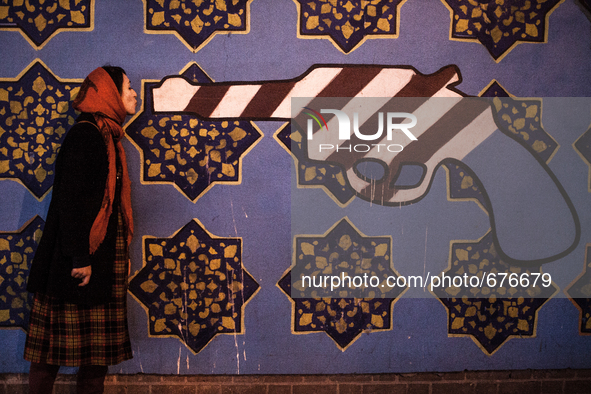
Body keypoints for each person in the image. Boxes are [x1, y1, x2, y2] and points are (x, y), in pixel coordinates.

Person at [24, 66, 137, 394]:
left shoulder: (109, 136)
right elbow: (69, 203)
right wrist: (79, 257)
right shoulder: (86, 135)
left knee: (96, 353)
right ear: (110, 94)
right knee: (50, 350)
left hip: (101, 254)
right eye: (127, 88)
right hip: (78, 256)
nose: (133, 94)